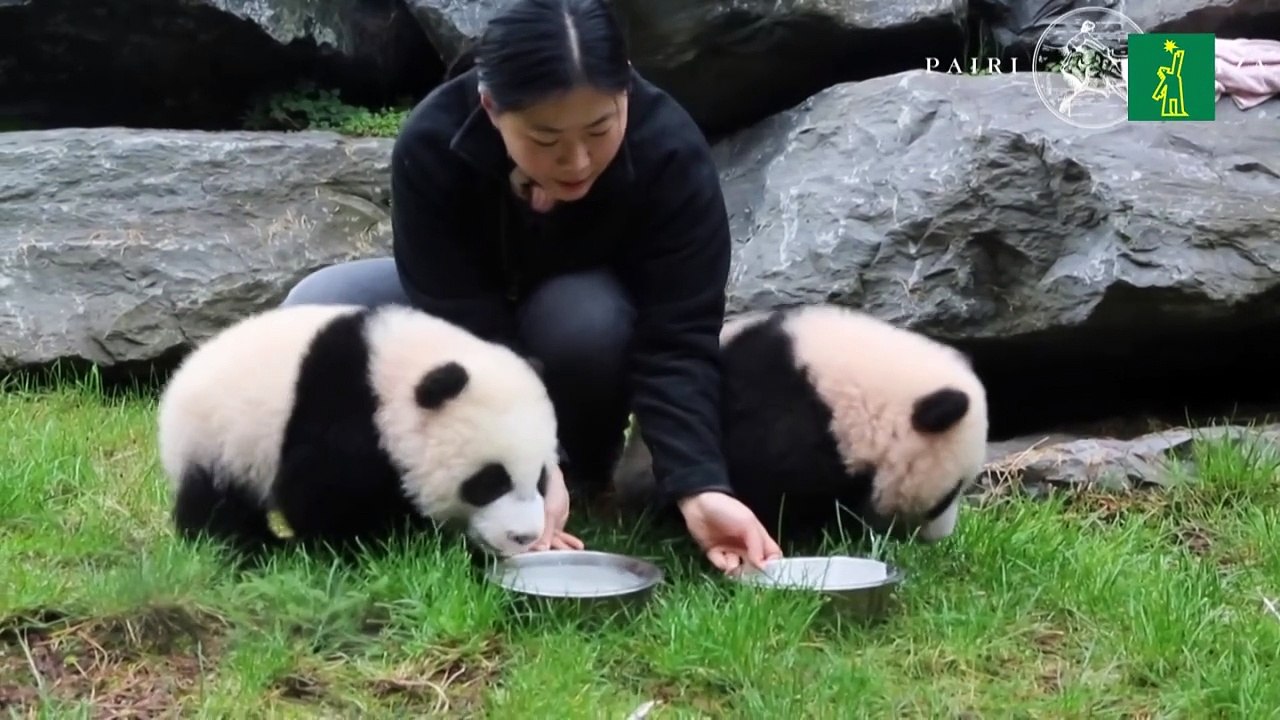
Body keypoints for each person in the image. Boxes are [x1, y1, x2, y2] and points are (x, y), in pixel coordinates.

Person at [280, 0, 783, 574]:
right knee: (318, 312)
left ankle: (585, 470)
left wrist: (700, 487)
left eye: (601, 128)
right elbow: (461, 327)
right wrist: (533, 466)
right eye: (545, 139)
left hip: (581, 329)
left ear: (625, 94)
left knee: (586, 317)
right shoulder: (431, 142)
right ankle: (393, 487)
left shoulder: (671, 152)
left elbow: (679, 340)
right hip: (465, 319)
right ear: (492, 107)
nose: (577, 160)